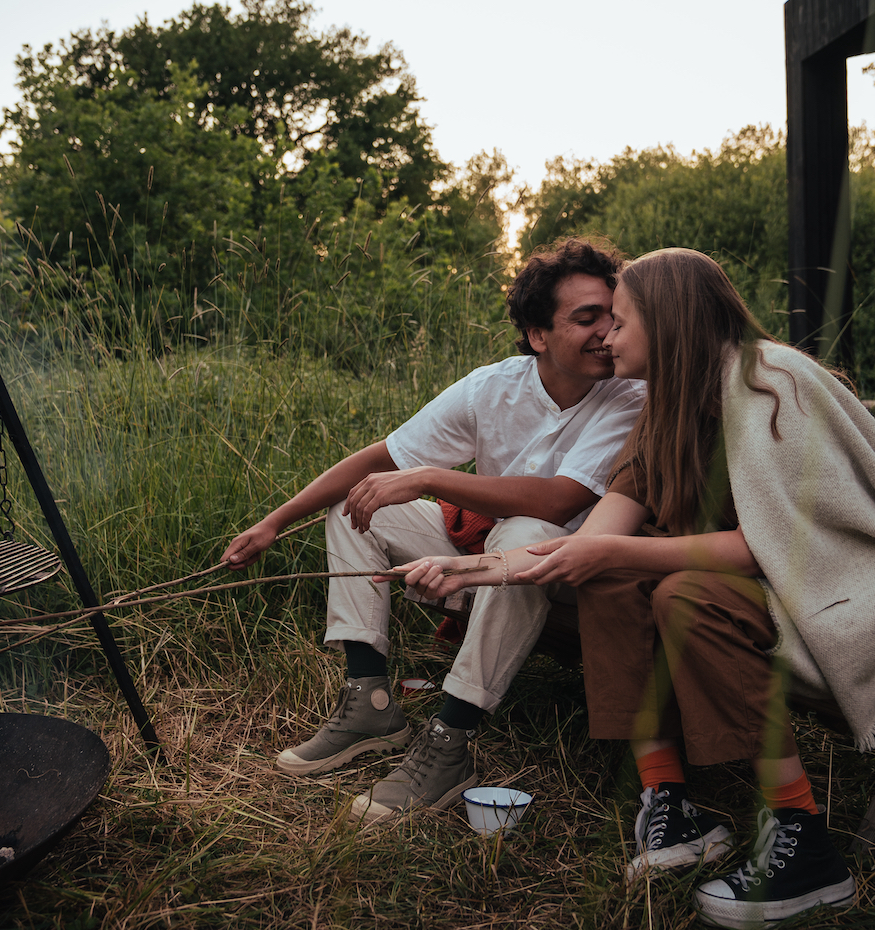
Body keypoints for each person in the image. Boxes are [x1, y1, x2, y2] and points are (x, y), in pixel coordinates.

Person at [395, 248, 869, 927]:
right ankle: (671, 807)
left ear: (667, 321)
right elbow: (598, 541)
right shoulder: (665, 411)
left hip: (826, 595)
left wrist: (614, 550)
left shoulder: (771, 381)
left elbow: (780, 544)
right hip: (749, 594)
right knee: (618, 569)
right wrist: (472, 569)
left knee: (677, 590)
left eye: (620, 322)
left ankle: (804, 840)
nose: (608, 337)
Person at [222, 238, 646, 824]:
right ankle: (369, 701)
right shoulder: (495, 386)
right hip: (493, 558)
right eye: (586, 317)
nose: (606, 331)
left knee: (525, 526)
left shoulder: (629, 394)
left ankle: (450, 740)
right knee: (361, 504)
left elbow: (562, 498)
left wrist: (431, 479)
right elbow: (383, 457)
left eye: (612, 315)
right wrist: (273, 522)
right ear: (538, 333)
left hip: (571, 575)